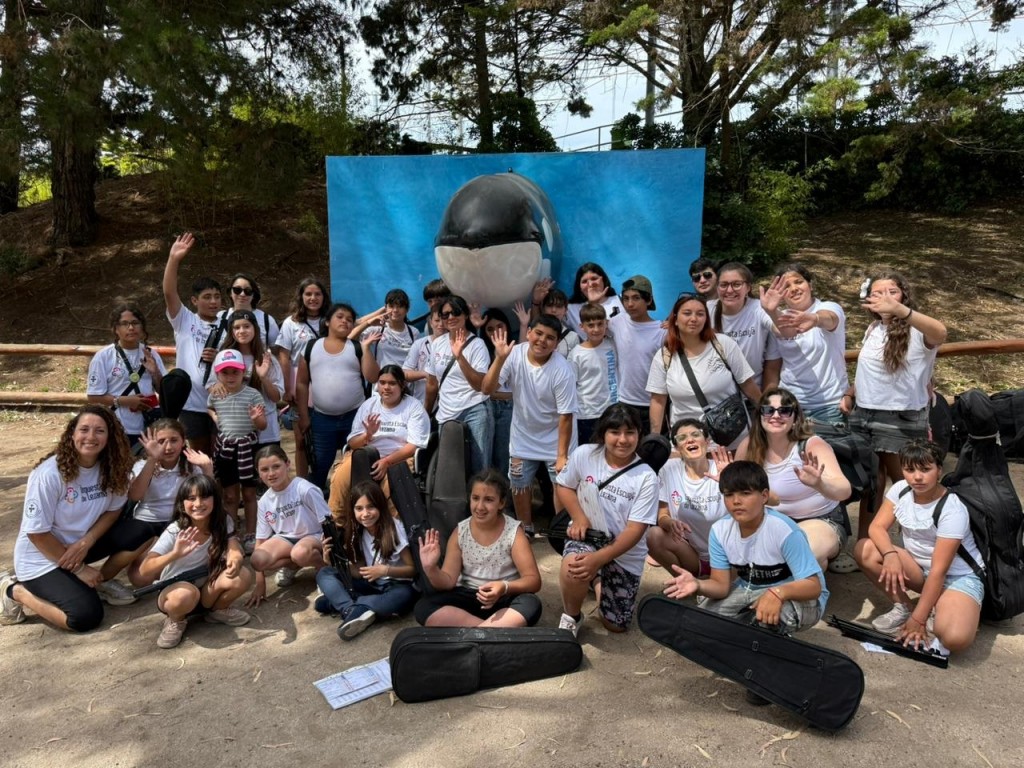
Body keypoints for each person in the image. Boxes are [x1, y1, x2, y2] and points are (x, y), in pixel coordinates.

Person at [662, 461, 828, 657]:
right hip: (749, 590)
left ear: (764, 496)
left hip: (801, 597)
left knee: (766, 622)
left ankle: (770, 655)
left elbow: (813, 586)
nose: (736, 501)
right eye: (729, 495)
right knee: (702, 624)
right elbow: (721, 585)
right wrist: (698, 584)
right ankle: (747, 637)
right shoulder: (719, 531)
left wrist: (777, 593)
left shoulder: (784, 530)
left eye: (745, 493)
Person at [2, 406, 135, 631]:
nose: (91, 437)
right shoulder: (49, 475)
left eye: (100, 431)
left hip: (78, 547)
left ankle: (98, 582)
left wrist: (88, 541)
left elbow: (114, 510)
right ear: (72, 434)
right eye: (84, 429)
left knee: (139, 530)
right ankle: (13, 590)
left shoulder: (113, 468)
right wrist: (79, 570)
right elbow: (36, 533)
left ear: (110, 437)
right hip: (41, 557)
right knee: (85, 617)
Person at [854, 440, 983, 657]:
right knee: (864, 549)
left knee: (953, 638)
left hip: (957, 577)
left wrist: (919, 621)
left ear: (939, 470)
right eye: (909, 469)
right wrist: (890, 554)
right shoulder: (901, 489)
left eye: (925, 469)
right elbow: (876, 527)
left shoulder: (952, 509)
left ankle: (938, 610)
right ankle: (906, 608)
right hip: (919, 570)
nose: (917, 477)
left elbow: (939, 571)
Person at [844, 271, 947, 537]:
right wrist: (851, 393)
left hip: (901, 417)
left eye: (892, 291)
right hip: (864, 414)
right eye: (877, 293)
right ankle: (866, 542)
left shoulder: (916, 329)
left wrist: (901, 311)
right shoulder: (874, 328)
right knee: (871, 481)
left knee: (909, 481)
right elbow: (875, 374)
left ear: (904, 295)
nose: (885, 298)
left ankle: (920, 541)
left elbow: (941, 332)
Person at [556, 404, 659, 637]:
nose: (622, 439)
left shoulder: (647, 478)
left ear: (639, 435)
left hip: (624, 551)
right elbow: (564, 486)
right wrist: (579, 518)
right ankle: (572, 615)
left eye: (630, 432)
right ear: (603, 433)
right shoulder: (585, 453)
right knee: (575, 566)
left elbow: (635, 530)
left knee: (615, 625)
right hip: (589, 535)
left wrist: (598, 560)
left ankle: (597, 579)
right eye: (615, 432)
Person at [479, 316, 578, 536]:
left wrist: (562, 455)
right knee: (519, 482)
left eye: (551, 338)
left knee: (560, 485)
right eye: (539, 334)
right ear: (529, 332)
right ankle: (526, 528)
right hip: (523, 435)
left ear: (557, 343)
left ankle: (560, 530)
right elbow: (487, 389)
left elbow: (566, 416)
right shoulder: (513, 354)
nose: (543, 341)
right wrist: (500, 358)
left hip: (557, 438)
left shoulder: (562, 370)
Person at [735, 388, 852, 571]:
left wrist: (819, 484)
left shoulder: (812, 445)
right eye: (768, 410)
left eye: (784, 411)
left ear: (795, 418)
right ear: (759, 416)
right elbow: (737, 494)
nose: (776, 415)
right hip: (771, 522)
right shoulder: (749, 447)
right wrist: (726, 480)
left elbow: (844, 489)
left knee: (799, 550)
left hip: (821, 520)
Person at [414, 470, 542, 627]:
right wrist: (430, 568)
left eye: (489, 500)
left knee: (531, 604)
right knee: (423, 607)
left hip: (504, 598)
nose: (480, 506)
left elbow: (533, 581)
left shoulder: (514, 532)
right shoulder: (460, 531)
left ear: (501, 503)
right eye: (475, 498)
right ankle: (490, 631)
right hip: (470, 597)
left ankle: (477, 633)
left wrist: (504, 587)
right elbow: (447, 582)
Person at [138, 475, 252, 649]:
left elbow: (233, 545)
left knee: (242, 575)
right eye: (191, 498)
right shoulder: (175, 530)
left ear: (215, 499)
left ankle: (217, 611)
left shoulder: (222, 521)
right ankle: (176, 620)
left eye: (205, 496)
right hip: (176, 592)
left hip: (207, 588)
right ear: (182, 504)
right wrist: (174, 554)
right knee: (184, 595)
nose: (198, 504)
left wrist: (234, 557)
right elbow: (145, 570)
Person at [646, 292, 760, 448]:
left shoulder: (723, 345)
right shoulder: (664, 356)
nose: (694, 319)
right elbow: (658, 401)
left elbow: (747, 384)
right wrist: (654, 439)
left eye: (700, 314)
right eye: (687, 313)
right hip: (687, 443)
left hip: (733, 440)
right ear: (675, 319)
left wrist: (767, 415)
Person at [110, 420, 214, 588]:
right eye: (161, 441)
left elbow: (209, 498)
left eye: (174, 440)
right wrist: (152, 459)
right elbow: (135, 495)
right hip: (147, 524)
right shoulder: (142, 464)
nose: (168, 447)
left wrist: (208, 469)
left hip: (180, 522)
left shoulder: (192, 465)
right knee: (140, 579)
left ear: (183, 441)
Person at [295, 302, 383, 491]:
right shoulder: (311, 347)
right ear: (327, 321)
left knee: (357, 465)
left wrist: (366, 349)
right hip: (321, 419)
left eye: (350, 319)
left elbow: (373, 377)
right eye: (340, 317)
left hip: (355, 417)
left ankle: (358, 507)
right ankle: (316, 509)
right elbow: (302, 383)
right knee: (319, 467)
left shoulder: (357, 347)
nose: (345, 321)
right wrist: (303, 415)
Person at [315, 481, 418, 639]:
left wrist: (385, 570)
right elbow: (359, 573)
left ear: (380, 507)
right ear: (353, 510)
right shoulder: (358, 532)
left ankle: (349, 606)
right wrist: (333, 561)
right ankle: (351, 610)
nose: (365, 514)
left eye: (371, 507)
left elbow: (412, 569)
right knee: (325, 574)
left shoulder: (393, 528)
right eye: (359, 508)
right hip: (372, 585)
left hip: (397, 584)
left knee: (402, 597)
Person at [328, 365, 431, 521]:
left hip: (398, 457)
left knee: (390, 488)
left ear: (402, 385)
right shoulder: (369, 405)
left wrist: (387, 461)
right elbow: (352, 443)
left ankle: (390, 530)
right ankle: (338, 525)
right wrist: (367, 435)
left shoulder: (414, 407)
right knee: (339, 479)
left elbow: (413, 446)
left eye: (392, 383)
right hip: (367, 453)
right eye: (382, 383)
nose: (386, 387)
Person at [759, 263, 848, 434]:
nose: (793, 289)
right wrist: (770, 404)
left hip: (829, 407)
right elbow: (787, 333)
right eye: (786, 286)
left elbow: (830, 319)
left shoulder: (828, 307)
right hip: (789, 407)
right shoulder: (778, 318)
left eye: (798, 282)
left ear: (810, 285)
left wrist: (815, 319)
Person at [162, 232, 223, 454]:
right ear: (195, 300)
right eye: (207, 297)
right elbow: (169, 292)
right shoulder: (185, 320)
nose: (213, 301)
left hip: (222, 402)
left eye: (217, 296)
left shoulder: (229, 322)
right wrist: (174, 259)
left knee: (223, 455)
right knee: (198, 453)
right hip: (190, 404)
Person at [647, 419, 731, 579]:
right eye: (682, 438)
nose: (690, 440)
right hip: (693, 554)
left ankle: (722, 580)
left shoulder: (723, 468)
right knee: (653, 535)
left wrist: (732, 484)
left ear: (706, 441)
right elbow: (662, 515)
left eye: (695, 435)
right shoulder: (668, 469)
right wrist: (670, 523)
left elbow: (751, 510)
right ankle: (686, 581)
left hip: (729, 557)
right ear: (677, 448)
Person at [248, 446, 329, 603]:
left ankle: (323, 570)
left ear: (287, 464)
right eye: (264, 469)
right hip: (287, 539)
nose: (271, 474)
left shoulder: (304, 489)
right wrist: (260, 583)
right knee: (258, 560)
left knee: (300, 553)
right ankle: (294, 565)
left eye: (276, 466)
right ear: (258, 473)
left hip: (314, 535)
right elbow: (260, 541)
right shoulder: (264, 501)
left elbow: (328, 522)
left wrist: (330, 555)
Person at [206, 348, 268, 553]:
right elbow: (210, 408)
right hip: (226, 450)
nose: (231, 377)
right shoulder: (216, 393)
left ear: (244, 373)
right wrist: (215, 418)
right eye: (225, 372)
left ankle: (251, 533)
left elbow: (262, 425)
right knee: (230, 495)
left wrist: (255, 418)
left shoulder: (253, 394)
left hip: (248, 449)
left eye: (235, 372)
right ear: (217, 374)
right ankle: (231, 534)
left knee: (250, 493)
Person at [425, 295, 493, 475]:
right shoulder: (437, 344)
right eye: (445, 315)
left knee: (479, 466)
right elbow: (432, 384)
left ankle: (478, 502)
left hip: (474, 410)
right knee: (449, 469)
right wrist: (426, 414)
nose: (450, 317)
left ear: (465, 314)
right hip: (446, 413)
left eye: (455, 312)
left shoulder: (477, 345)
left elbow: (480, 385)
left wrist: (459, 356)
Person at [86, 303, 166, 446]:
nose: (131, 328)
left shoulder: (151, 354)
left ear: (142, 327)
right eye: (124, 324)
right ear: (116, 329)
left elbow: (163, 391)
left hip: (149, 427)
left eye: (135, 323)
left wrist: (155, 372)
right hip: (116, 427)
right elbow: (93, 396)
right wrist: (125, 401)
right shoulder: (103, 357)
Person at [274, 276, 330, 477]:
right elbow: (284, 356)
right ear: (301, 296)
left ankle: (321, 480)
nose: (313, 298)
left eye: (317, 294)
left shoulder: (330, 319)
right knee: (301, 438)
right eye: (308, 294)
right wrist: (287, 387)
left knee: (324, 437)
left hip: (326, 381)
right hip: (299, 383)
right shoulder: (291, 323)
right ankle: (302, 480)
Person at [217, 309, 284, 450]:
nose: (242, 331)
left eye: (247, 326)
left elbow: (276, 397)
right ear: (231, 331)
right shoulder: (223, 358)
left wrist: (263, 377)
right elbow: (217, 391)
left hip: (267, 432)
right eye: (236, 327)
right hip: (237, 431)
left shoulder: (267, 359)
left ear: (255, 329)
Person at [708, 262, 781, 390]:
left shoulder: (758, 308)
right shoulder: (707, 310)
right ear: (717, 288)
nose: (729, 290)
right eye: (724, 285)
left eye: (736, 284)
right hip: (717, 395)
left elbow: (784, 332)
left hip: (751, 392)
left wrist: (773, 312)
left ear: (748, 287)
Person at [609, 275, 666, 434]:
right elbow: (592, 326)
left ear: (648, 300)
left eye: (636, 298)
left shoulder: (661, 331)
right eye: (626, 299)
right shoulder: (617, 322)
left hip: (654, 404)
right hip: (624, 402)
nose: (630, 304)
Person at [569, 302, 619, 445]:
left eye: (600, 324)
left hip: (612, 410)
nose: (596, 329)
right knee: (589, 453)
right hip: (587, 414)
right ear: (582, 327)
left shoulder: (612, 344)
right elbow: (571, 386)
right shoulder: (576, 354)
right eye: (590, 325)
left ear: (606, 324)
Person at [217, 272, 280, 348]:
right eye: (237, 290)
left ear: (253, 294)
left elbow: (277, 350)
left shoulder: (267, 320)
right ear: (230, 292)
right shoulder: (219, 317)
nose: (242, 294)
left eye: (248, 291)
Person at [563, 262, 624, 335]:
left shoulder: (622, 300)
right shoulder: (570, 309)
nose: (590, 284)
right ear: (579, 287)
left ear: (603, 280)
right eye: (584, 281)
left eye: (594, 278)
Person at [403, 306, 446, 405]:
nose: (441, 324)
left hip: (446, 405)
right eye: (437, 320)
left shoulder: (455, 345)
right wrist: (427, 374)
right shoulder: (419, 344)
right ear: (430, 322)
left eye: (444, 320)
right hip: (421, 402)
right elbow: (404, 373)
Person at [369, 288, 420, 368]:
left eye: (400, 306)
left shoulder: (414, 333)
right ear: (385, 308)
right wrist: (368, 323)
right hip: (382, 380)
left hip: (405, 380)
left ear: (407, 309)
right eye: (391, 306)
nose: (395, 310)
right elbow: (351, 334)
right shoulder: (377, 329)